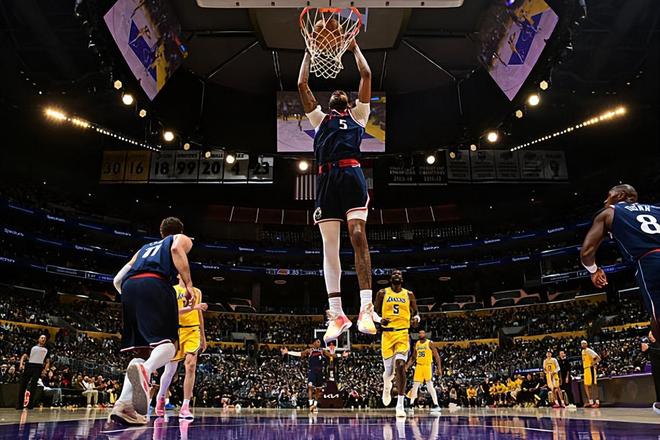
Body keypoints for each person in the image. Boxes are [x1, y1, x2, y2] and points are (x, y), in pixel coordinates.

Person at [297, 38, 375, 342]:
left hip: (352, 173)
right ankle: (338, 314)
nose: (338, 92)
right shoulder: (320, 119)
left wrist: (354, 48)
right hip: (327, 179)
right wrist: (308, 52)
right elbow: (302, 84)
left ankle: (366, 307)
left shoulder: (359, 115)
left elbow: (366, 75)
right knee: (330, 246)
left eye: (343, 92)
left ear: (349, 101)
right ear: (330, 103)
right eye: (335, 93)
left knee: (357, 235)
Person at [580, 184, 660, 412]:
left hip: (651, 262)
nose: (605, 200)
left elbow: (586, 252)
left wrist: (594, 270)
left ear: (622, 195)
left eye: (609, 196)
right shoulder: (657, 209)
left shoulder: (610, 213)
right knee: (655, 331)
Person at [109, 217, 195, 425]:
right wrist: (189, 284)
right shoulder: (179, 238)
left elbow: (117, 280)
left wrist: (133, 296)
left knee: (143, 352)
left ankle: (123, 405)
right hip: (155, 283)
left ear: (160, 231)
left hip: (129, 288)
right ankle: (146, 372)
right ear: (180, 230)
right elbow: (176, 248)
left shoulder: (144, 248)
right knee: (169, 345)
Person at [156, 276, 208, 419]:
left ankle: (185, 406)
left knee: (190, 365)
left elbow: (199, 314)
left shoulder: (197, 291)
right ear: (178, 275)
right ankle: (161, 396)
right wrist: (194, 307)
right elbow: (170, 312)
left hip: (193, 330)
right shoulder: (172, 290)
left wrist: (203, 336)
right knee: (170, 370)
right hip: (175, 330)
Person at [373, 270, 419, 418]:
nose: (397, 274)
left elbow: (416, 313)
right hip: (387, 335)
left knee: (400, 366)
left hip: (402, 334)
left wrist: (416, 319)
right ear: (390, 279)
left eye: (399, 273)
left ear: (402, 279)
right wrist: (379, 320)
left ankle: (400, 405)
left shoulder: (409, 294)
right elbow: (373, 313)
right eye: (394, 273)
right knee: (388, 373)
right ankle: (387, 387)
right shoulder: (382, 293)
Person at [281, 339, 326, 412]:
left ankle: (315, 405)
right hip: (312, 371)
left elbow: (331, 355)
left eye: (320, 342)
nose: (319, 343)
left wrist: (341, 355)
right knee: (310, 387)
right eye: (318, 342)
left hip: (320, 372)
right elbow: (300, 354)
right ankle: (311, 405)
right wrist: (288, 352)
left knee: (318, 389)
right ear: (314, 343)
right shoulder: (309, 350)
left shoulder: (322, 351)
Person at [406, 330, 442, 413]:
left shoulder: (430, 343)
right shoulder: (417, 344)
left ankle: (436, 405)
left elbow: (436, 356)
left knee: (430, 386)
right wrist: (407, 366)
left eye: (422, 333)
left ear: (425, 334)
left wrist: (439, 368)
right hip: (419, 366)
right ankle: (411, 404)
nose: (421, 334)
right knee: (415, 385)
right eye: (419, 333)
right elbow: (413, 357)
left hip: (427, 365)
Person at [16, 334, 49, 410]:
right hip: (29, 366)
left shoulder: (46, 350)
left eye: (44, 338)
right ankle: (19, 405)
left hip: (38, 367)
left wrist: (44, 370)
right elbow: (24, 356)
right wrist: (21, 364)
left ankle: (30, 405)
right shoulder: (32, 347)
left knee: (34, 386)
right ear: (38, 339)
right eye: (42, 338)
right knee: (23, 385)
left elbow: (47, 362)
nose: (43, 339)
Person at [641, 330, 660, 412]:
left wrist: (649, 348)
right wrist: (644, 351)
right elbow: (645, 356)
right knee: (657, 387)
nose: (650, 336)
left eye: (651, 334)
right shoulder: (651, 345)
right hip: (655, 369)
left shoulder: (656, 344)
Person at [580, 340, 601, 408]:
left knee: (593, 385)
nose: (583, 345)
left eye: (584, 343)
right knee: (586, 385)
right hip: (585, 369)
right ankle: (591, 401)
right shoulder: (583, 351)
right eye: (582, 344)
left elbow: (598, 358)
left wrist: (593, 363)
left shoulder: (589, 350)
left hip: (590, 369)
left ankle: (597, 402)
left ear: (587, 344)